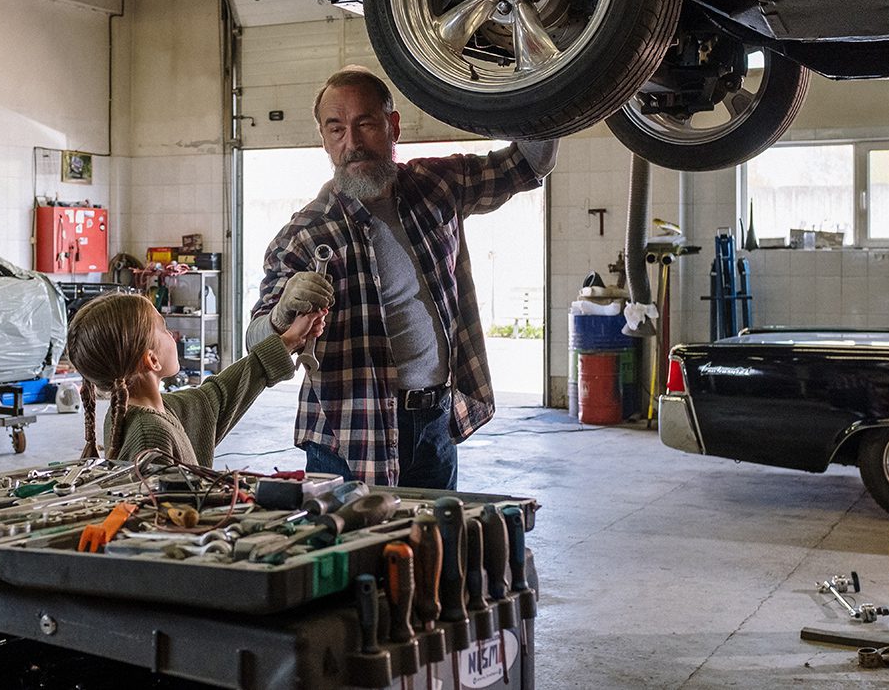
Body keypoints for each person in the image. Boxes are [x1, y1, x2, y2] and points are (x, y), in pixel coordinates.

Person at [246, 66, 558, 489]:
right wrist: (283, 313)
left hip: (433, 422)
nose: (351, 144)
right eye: (335, 129)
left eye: (365, 124)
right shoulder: (304, 235)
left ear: (393, 126)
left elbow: (526, 163)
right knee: (356, 552)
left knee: (431, 548)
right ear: (323, 138)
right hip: (348, 434)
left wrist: (554, 76)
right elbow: (256, 340)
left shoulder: (435, 186)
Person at [68, 292, 325, 466]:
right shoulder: (151, 435)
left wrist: (288, 341)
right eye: (164, 329)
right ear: (152, 360)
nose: (173, 336)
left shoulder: (137, 412)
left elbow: (218, 395)